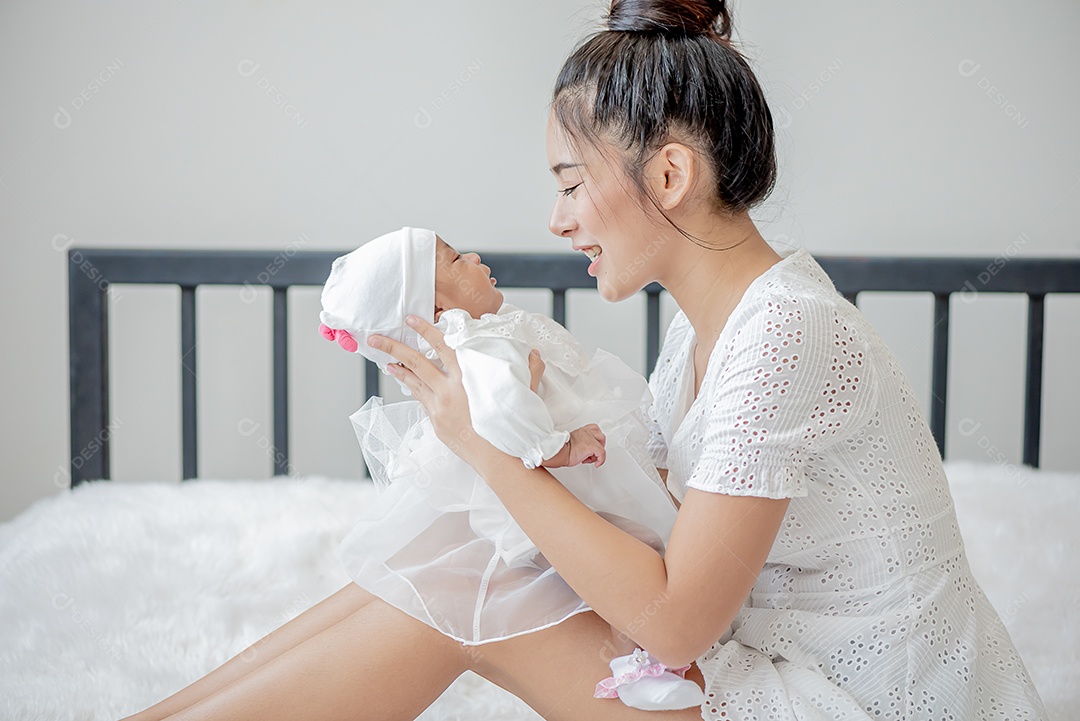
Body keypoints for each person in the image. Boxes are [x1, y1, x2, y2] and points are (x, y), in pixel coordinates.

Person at [119, 1, 1049, 720]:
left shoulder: (786, 331)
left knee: (470, 581)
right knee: (460, 547)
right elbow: (663, 525)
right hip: (758, 664)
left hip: (846, 703)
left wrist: (490, 451)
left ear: (671, 175)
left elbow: (679, 619)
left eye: (569, 183)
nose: (557, 220)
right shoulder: (703, 328)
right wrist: (550, 447)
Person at [317, 226, 703, 710]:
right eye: (457, 260)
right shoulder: (477, 343)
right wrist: (558, 446)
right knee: (641, 548)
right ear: (437, 311)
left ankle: (641, 659)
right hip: (553, 485)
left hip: (521, 498)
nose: (476, 256)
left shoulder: (473, 341)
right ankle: (641, 665)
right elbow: (503, 410)